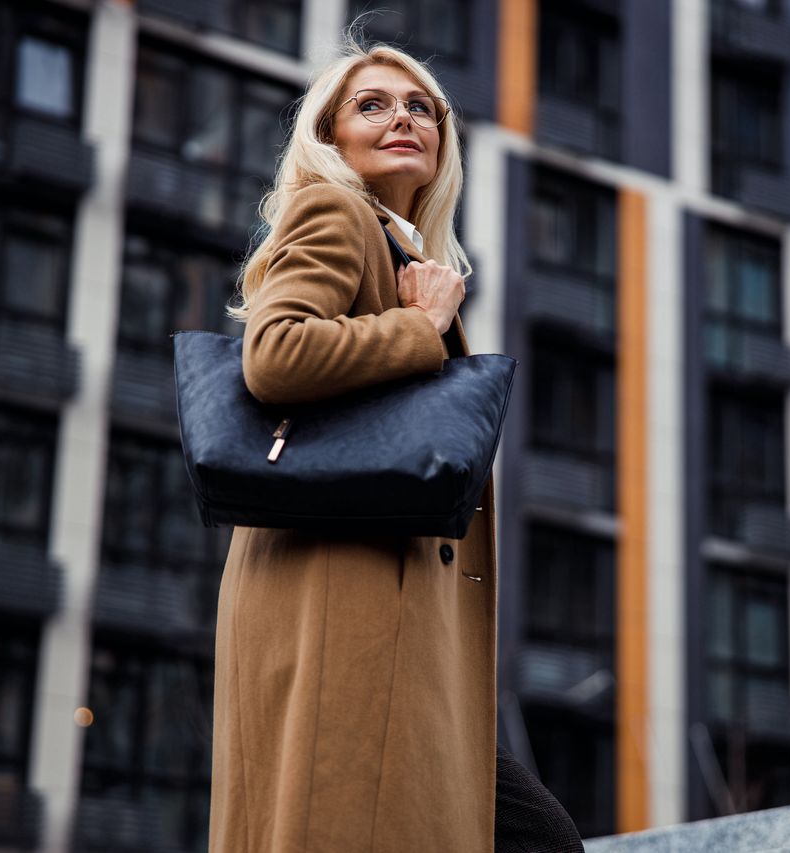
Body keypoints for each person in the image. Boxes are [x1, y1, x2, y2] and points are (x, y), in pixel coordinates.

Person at [210, 40, 584, 853]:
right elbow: (275, 354)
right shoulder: (334, 210)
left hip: (385, 613)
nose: (403, 117)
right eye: (372, 104)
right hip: (344, 604)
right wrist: (419, 327)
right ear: (329, 135)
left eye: (421, 106)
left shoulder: (409, 251)